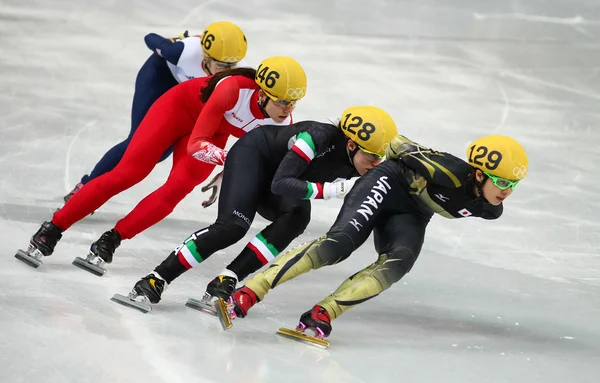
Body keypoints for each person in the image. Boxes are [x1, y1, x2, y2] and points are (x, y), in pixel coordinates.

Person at [15, 56, 307, 276]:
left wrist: (229, 171)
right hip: (178, 110)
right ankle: (52, 228)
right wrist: (231, 162)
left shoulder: (279, 122)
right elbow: (196, 144)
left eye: (294, 103)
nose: (288, 110)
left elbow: (256, 158)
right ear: (262, 93)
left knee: (176, 190)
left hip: (213, 133)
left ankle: (112, 239)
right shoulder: (233, 89)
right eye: (283, 102)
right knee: (128, 173)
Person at [227, 134, 529, 340]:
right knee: (339, 245)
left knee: (399, 263)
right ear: (479, 174)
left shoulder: (489, 209)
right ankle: (252, 289)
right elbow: (396, 144)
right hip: (387, 183)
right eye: (502, 181)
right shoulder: (448, 171)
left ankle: (324, 312)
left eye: (513, 184)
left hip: (411, 212)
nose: (507, 191)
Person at [114, 106, 398, 312]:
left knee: (298, 217)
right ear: (351, 144)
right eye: (371, 156)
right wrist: (331, 190)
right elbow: (281, 184)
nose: (375, 163)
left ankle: (227, 279)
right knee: (232, 227)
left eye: (379, 157)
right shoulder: (315, 138)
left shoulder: (363, 162)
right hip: (254, 158)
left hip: (282, 178)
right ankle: (156, 278)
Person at [62, 21, 249, 203]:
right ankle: (86, 186)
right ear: (205, 58)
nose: (228, 71)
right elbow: (149, 38)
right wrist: (171, 42)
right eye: (222, 67)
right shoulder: (182, 52)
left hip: (184, 93)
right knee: (137, 142)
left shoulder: (236, 69)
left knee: (158, 153)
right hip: (160, 79)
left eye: (232, 66)